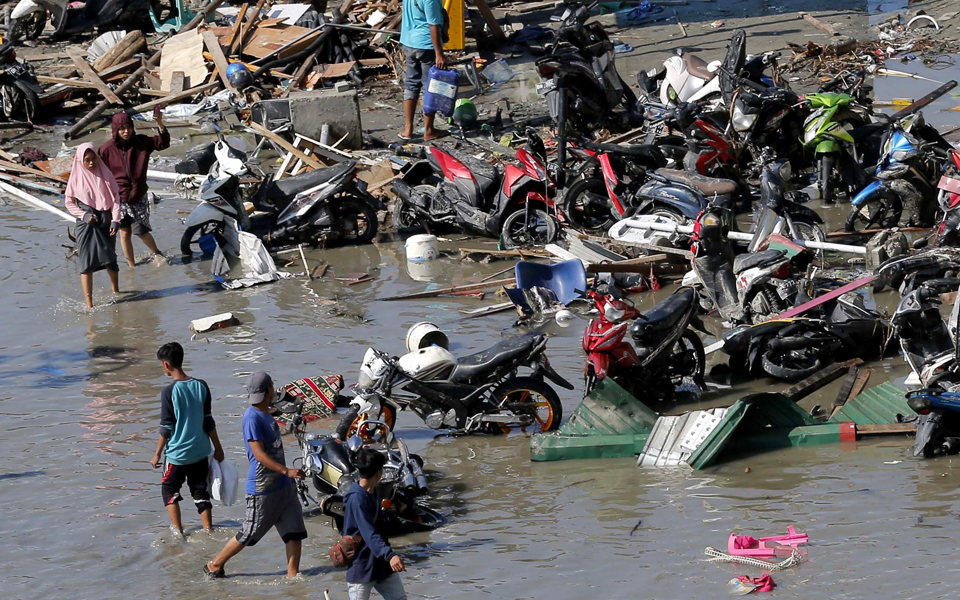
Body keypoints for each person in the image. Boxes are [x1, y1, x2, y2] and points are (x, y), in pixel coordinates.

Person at [205, 372, 307, 579]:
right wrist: (286, 470)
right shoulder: (252, 418)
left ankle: (293, 579)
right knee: (249, 533)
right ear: (268, 390)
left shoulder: (267, 413)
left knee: (294, 533)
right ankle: (215, 565)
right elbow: (259, 454)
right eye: (273, 386)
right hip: (263, 489)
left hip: (284, 486)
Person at [150, 342, 225, 536]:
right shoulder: (201, 386)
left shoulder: (168, 392)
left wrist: (157, 454)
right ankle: (209, 530)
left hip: (178, 454)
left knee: (169, 489)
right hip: (200, 451)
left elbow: (167, 427)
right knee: (200, 490)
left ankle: (179, 532)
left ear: (166, 364)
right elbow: (208, 421)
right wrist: (218, 448)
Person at [98, 110, 170, 267]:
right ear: (115, 129)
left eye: (128, 127)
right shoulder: (106, 150)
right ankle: (131, 266)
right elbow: (99, 174)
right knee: (124, 233)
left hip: (139, 195)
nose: (126, 131)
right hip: (118, 197)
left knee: (141, 231)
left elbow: (162, 143)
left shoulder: (142, 143)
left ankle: (157, 253)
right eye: (122, 128)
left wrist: (160, 124)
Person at [343, 448, 407, 600]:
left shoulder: (373, 492)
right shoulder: (357, 500)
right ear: (379, 473)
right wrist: (390, 555)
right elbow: (369, 533)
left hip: (381, 565)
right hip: (363, 567)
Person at [65, 143, 122, 308]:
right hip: (86, 224)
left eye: (93, 159)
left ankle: (116, 291)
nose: (91, 163)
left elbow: (116, 199)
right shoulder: (76, 178)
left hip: (106, 221)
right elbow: (69, 203)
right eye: (87, 160)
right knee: (86, 263)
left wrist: (116, 220)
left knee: (110, 258)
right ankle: (89, 304)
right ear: (80, 161)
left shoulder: (105, 174)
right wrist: (83, 215)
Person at [399, 0, 446, 141]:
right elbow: (433, 25)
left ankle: (407, 130)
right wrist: (439, 54)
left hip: (408, 43)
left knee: (411, 84)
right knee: (430, 88)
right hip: (425, 45)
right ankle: (429, 130)